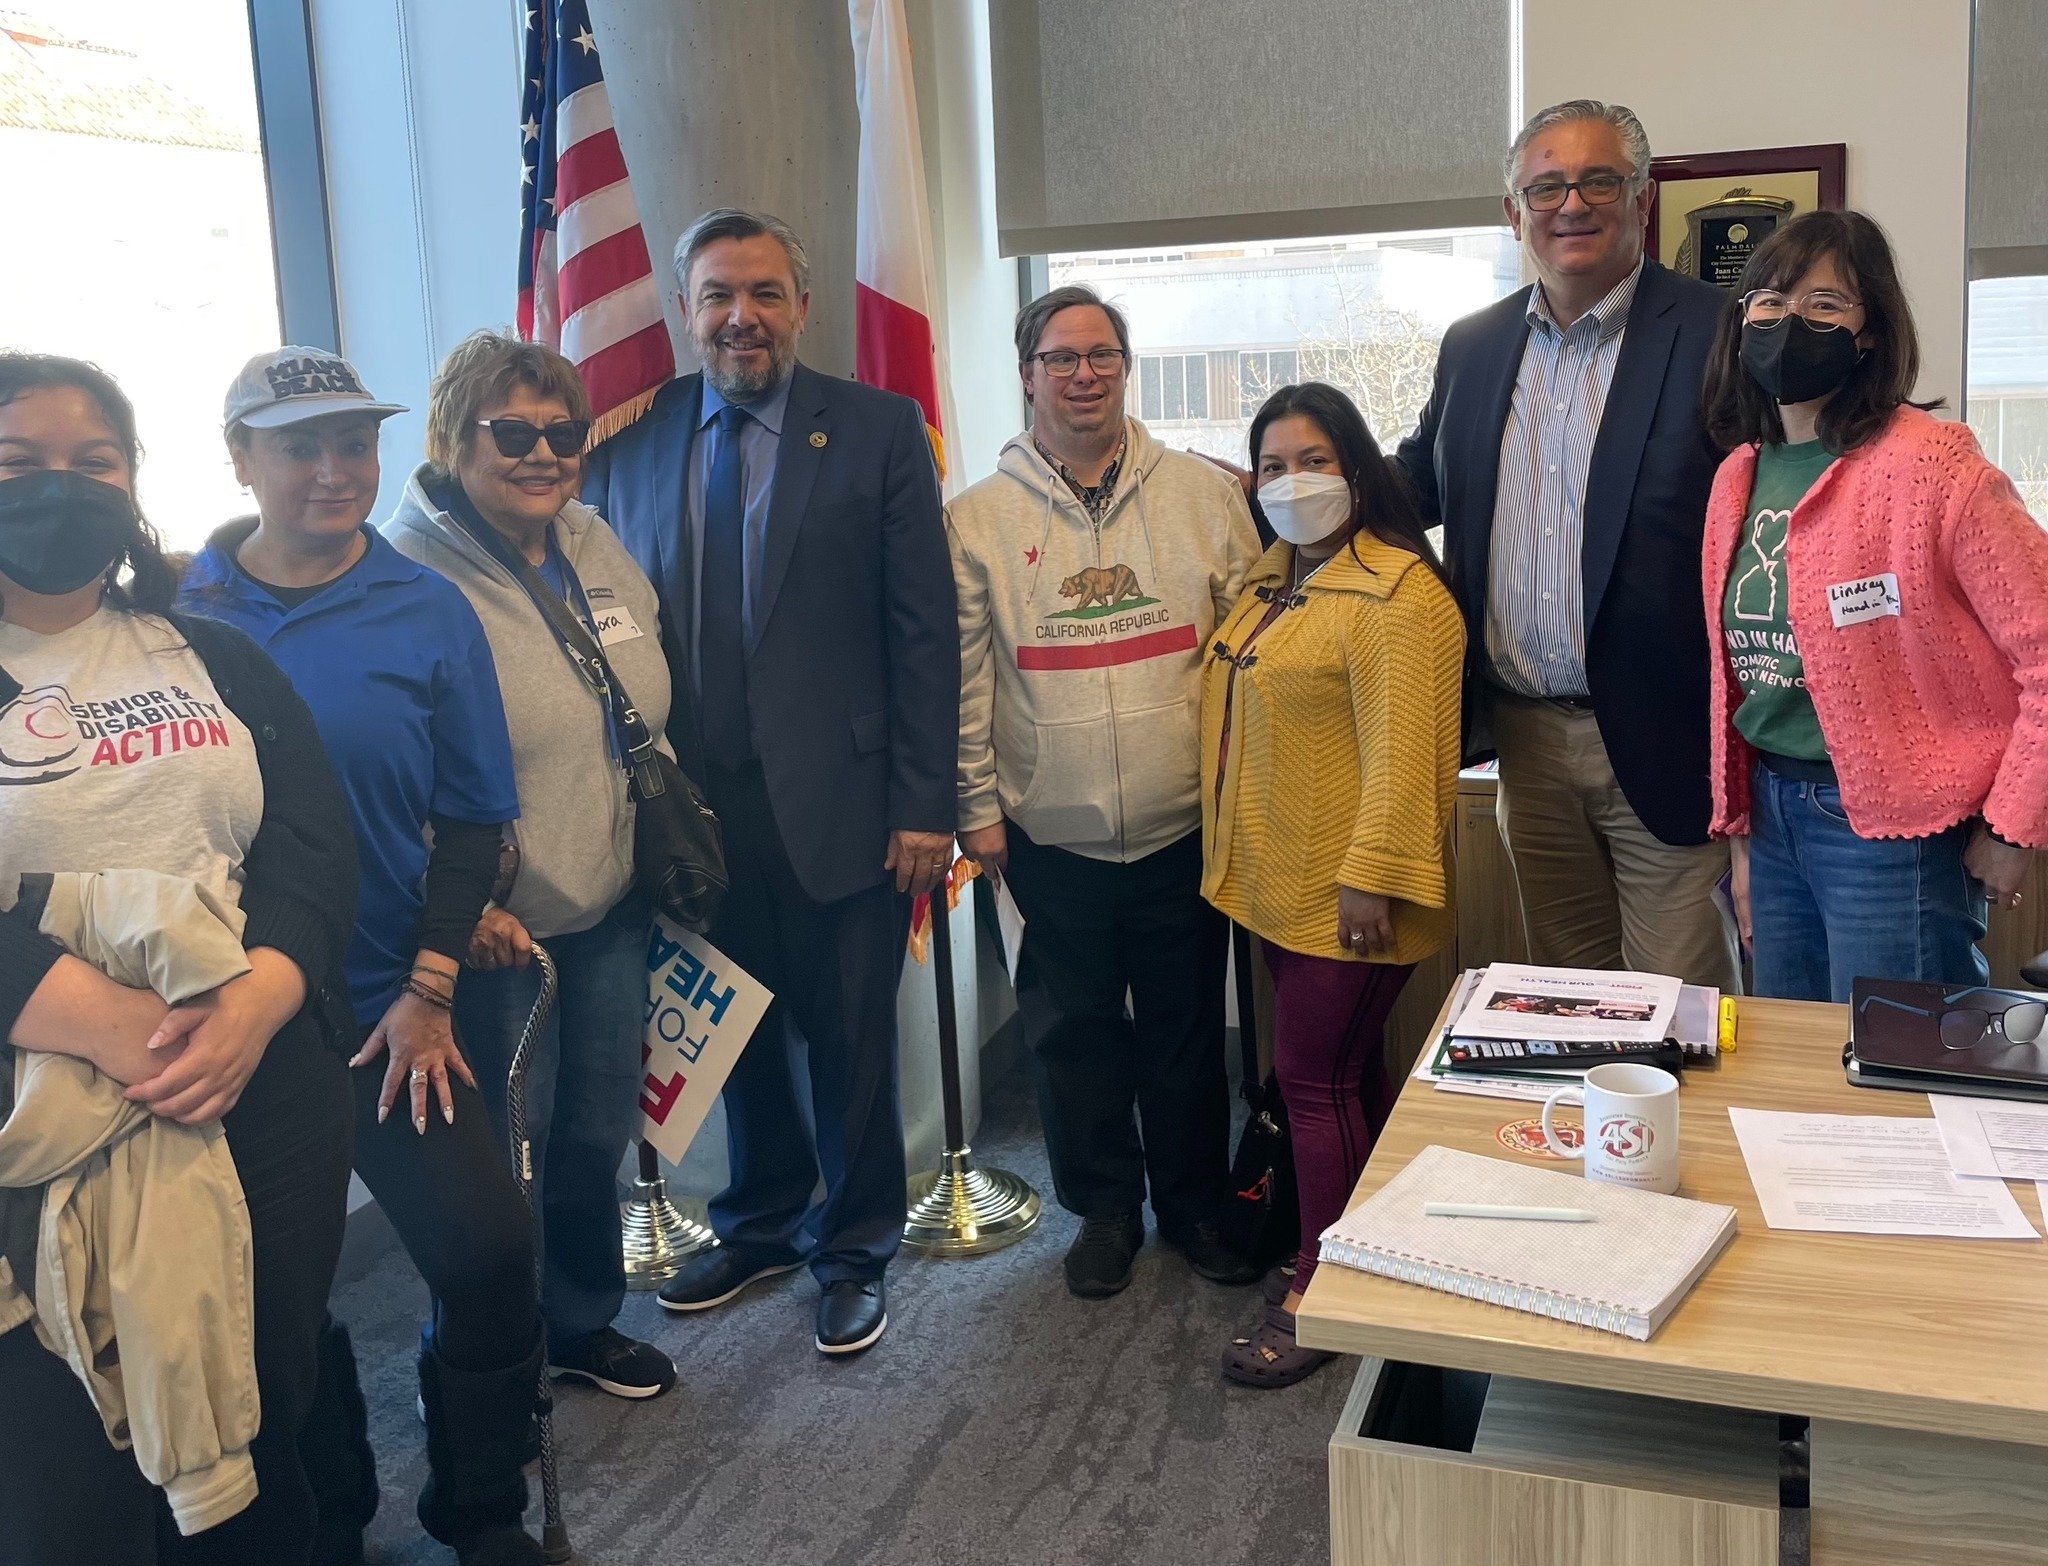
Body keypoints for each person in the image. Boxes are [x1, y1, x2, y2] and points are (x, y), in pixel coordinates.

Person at [179, 347, 547, 1565]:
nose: (333, 471)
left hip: (395, 1008)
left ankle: (480, 1507)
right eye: (299, 446)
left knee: (486, 1253)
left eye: (353, 443)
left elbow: (476, 817)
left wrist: (430, 987)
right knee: (276, 1295)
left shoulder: (425, 605)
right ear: (240, 458)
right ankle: (330, 1511)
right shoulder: (177, 616)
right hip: (235, 1020)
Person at [0, 352, 357, 1564]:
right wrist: (97, 1016)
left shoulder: (209, 651)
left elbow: (312, 839)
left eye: (91, 462)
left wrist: (263, 995)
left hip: (259, 1080)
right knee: (73, 1459)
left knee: (264, 1400)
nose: (61, 487)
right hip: (46, 1107)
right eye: (18, 465)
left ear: (133, 479)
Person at [582, 208, 957, 1357]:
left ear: (800, 306)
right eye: (716, 295)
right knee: (730, 1032)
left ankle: (851, 1251)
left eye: (762, 293)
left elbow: (923, 632)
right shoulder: (627, 448)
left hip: (847, 803)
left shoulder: (879, 429)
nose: (739, 316)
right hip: (697, 814)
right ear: (687, 310)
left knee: (847, 1041)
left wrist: (922, 804)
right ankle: (757, 1221)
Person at [947, 283, 1262, 1299]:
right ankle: (1105, 1213)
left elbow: (1253, 650)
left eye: (1101, 356)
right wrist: (977, 807)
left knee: (1182, 1034)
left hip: (1183, 826)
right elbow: (964, 676)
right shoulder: (976, 521)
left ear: (1124, 369)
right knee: (1070, 1036)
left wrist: (1242, 793)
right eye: (1059, 358)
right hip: (1047, 831)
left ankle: (1190, 1205)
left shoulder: (1205, 499)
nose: (1082, 374)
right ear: (1026, 374)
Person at [383, 331, 677, 1401]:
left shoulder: (591, 538)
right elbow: (384, 765)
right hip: (492, 929)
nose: (544, 453)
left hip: (605, 902)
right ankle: (491, 1355)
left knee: (594, 1131)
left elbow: (641, 677)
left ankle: (581, 1323)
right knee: (507, 1153)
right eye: (513, 433)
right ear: (454, 437)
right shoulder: (405, 569)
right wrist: (447, 904)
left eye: (563, 433)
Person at [1395, 99, 1740, 992]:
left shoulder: (1717, 333)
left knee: (1681, 1008)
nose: (1571, 205)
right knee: (1572, 999)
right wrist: (1281, 484)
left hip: (1666, 743)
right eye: (1545, 186)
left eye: (1597, 181)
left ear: (1642, 198)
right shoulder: (1472, 347)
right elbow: (1417, 485)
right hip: (1526, 746)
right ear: (1514, 212)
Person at [1700, 210, 2048, 1001]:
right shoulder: (1737, 479)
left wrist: (2011, 826)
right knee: (1794, 1074)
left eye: (1825, 305)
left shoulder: (1932, 465)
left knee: (1901, 1075)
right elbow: (1744, 687)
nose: (1792, 323)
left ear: (1868, 333)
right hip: (1773, 811)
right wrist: (1745, 846)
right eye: (1770, 304)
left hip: (1894, 836)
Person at [1201, 383, 1463, 1385]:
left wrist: (1374, 878)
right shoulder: (1273, 585)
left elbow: (1407, 754)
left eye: (1312, 461)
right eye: (1270, 466)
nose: (1289, 482)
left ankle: (1324, 1288)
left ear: (1357, 472)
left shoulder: (1399, 594)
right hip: (1275, 882)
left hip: (1348, 894)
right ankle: (1378, 1249)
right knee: (1339, 1080)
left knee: (1313, 1084)